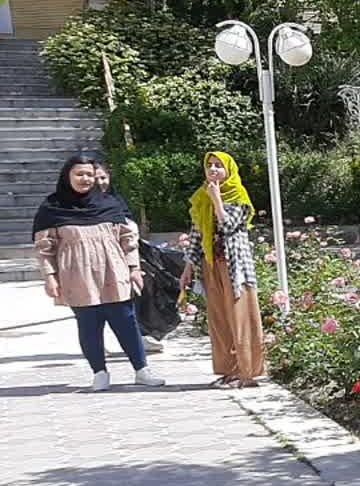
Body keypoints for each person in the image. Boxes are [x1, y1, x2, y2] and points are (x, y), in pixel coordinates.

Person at [32, 153, 165, 391]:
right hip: (77, 276)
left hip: (113, 271)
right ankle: (99, 373)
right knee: (89, 325)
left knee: (126, 321)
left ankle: (142, 370)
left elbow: (128, 240)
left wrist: (134, 268)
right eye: (79, 174)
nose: (85, 179)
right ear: (67, 176)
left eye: (90, 174)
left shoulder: (109, 203)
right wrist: (50, 277)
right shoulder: (52, 208)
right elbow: (44, 248)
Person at [179, 150, 266, 388]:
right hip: (211, 265)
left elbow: (228, 226)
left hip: (236, 267)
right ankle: (229, 370)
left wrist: (217, 200)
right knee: (219, 318)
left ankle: (248, 373)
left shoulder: (238, 194)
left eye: (218, 165)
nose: (213, 169)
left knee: (241, 316)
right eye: (210, 165)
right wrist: (188, 267)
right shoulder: (202, 196)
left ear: (229, 170)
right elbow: (197, 234)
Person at [93, 160, 165, 355]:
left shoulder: (115, 200)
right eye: (96, 178)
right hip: (95, 260)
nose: (100, 182)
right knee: (98, 302)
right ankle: (98, 342)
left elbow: (129, 228)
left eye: (103, 177)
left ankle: (140, 337)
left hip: (122, 257)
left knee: (131, 298)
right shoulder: (81, 205)